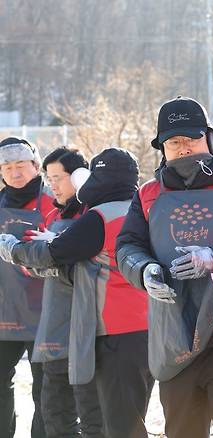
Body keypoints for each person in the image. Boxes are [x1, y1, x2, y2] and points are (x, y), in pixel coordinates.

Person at [116, 96, 213, 438]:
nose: (184, 148)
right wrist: (143, 270)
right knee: (182, 431)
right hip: (174, 334)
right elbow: (127, 247)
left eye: (192, 139)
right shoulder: (148, 194)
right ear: (162, 149)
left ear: (211, 139)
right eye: (174, 142)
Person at [0, 147, 152, 438]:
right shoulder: (141, 209)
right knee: (118, 417)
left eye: (59, 177)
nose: (53, 184)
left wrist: (15, 250)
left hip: (105, 331)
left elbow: (58, 253)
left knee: (106, 420)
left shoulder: (99, 217)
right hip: (133, 329)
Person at [19, 147, 105, 437]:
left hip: (90, 332)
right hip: (55, 329)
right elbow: (37, 260)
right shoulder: (54, 213)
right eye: (48, 177)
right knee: (53, 413)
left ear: (80, 177)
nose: (52, 184)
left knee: (90, 415)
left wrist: (54, 248)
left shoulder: (94, 214)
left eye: (58, 177)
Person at [0, 136, 50, 438]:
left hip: (45, 313)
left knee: (46, 390)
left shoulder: (53, 203)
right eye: (7, 167)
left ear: (36, 165)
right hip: (3, 310)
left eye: (21, 165)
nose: (14, 173)